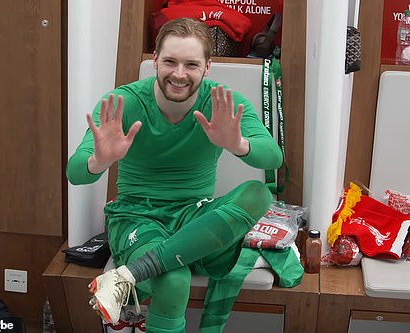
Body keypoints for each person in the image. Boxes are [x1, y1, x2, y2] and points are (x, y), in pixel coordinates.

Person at [66, 17, 282, 333]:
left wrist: (238, 144)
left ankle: (128, 276)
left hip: (194, 218)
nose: (179, 74)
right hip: (136, 218)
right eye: (170, 61)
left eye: (191, 64)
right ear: (154, 60)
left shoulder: (222, 102)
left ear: (207, 67)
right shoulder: (125, 102)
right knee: (173, 278)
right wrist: (99, 161)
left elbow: (273, 156)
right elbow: (76, 172)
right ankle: (140, 271)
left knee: (259, 193)